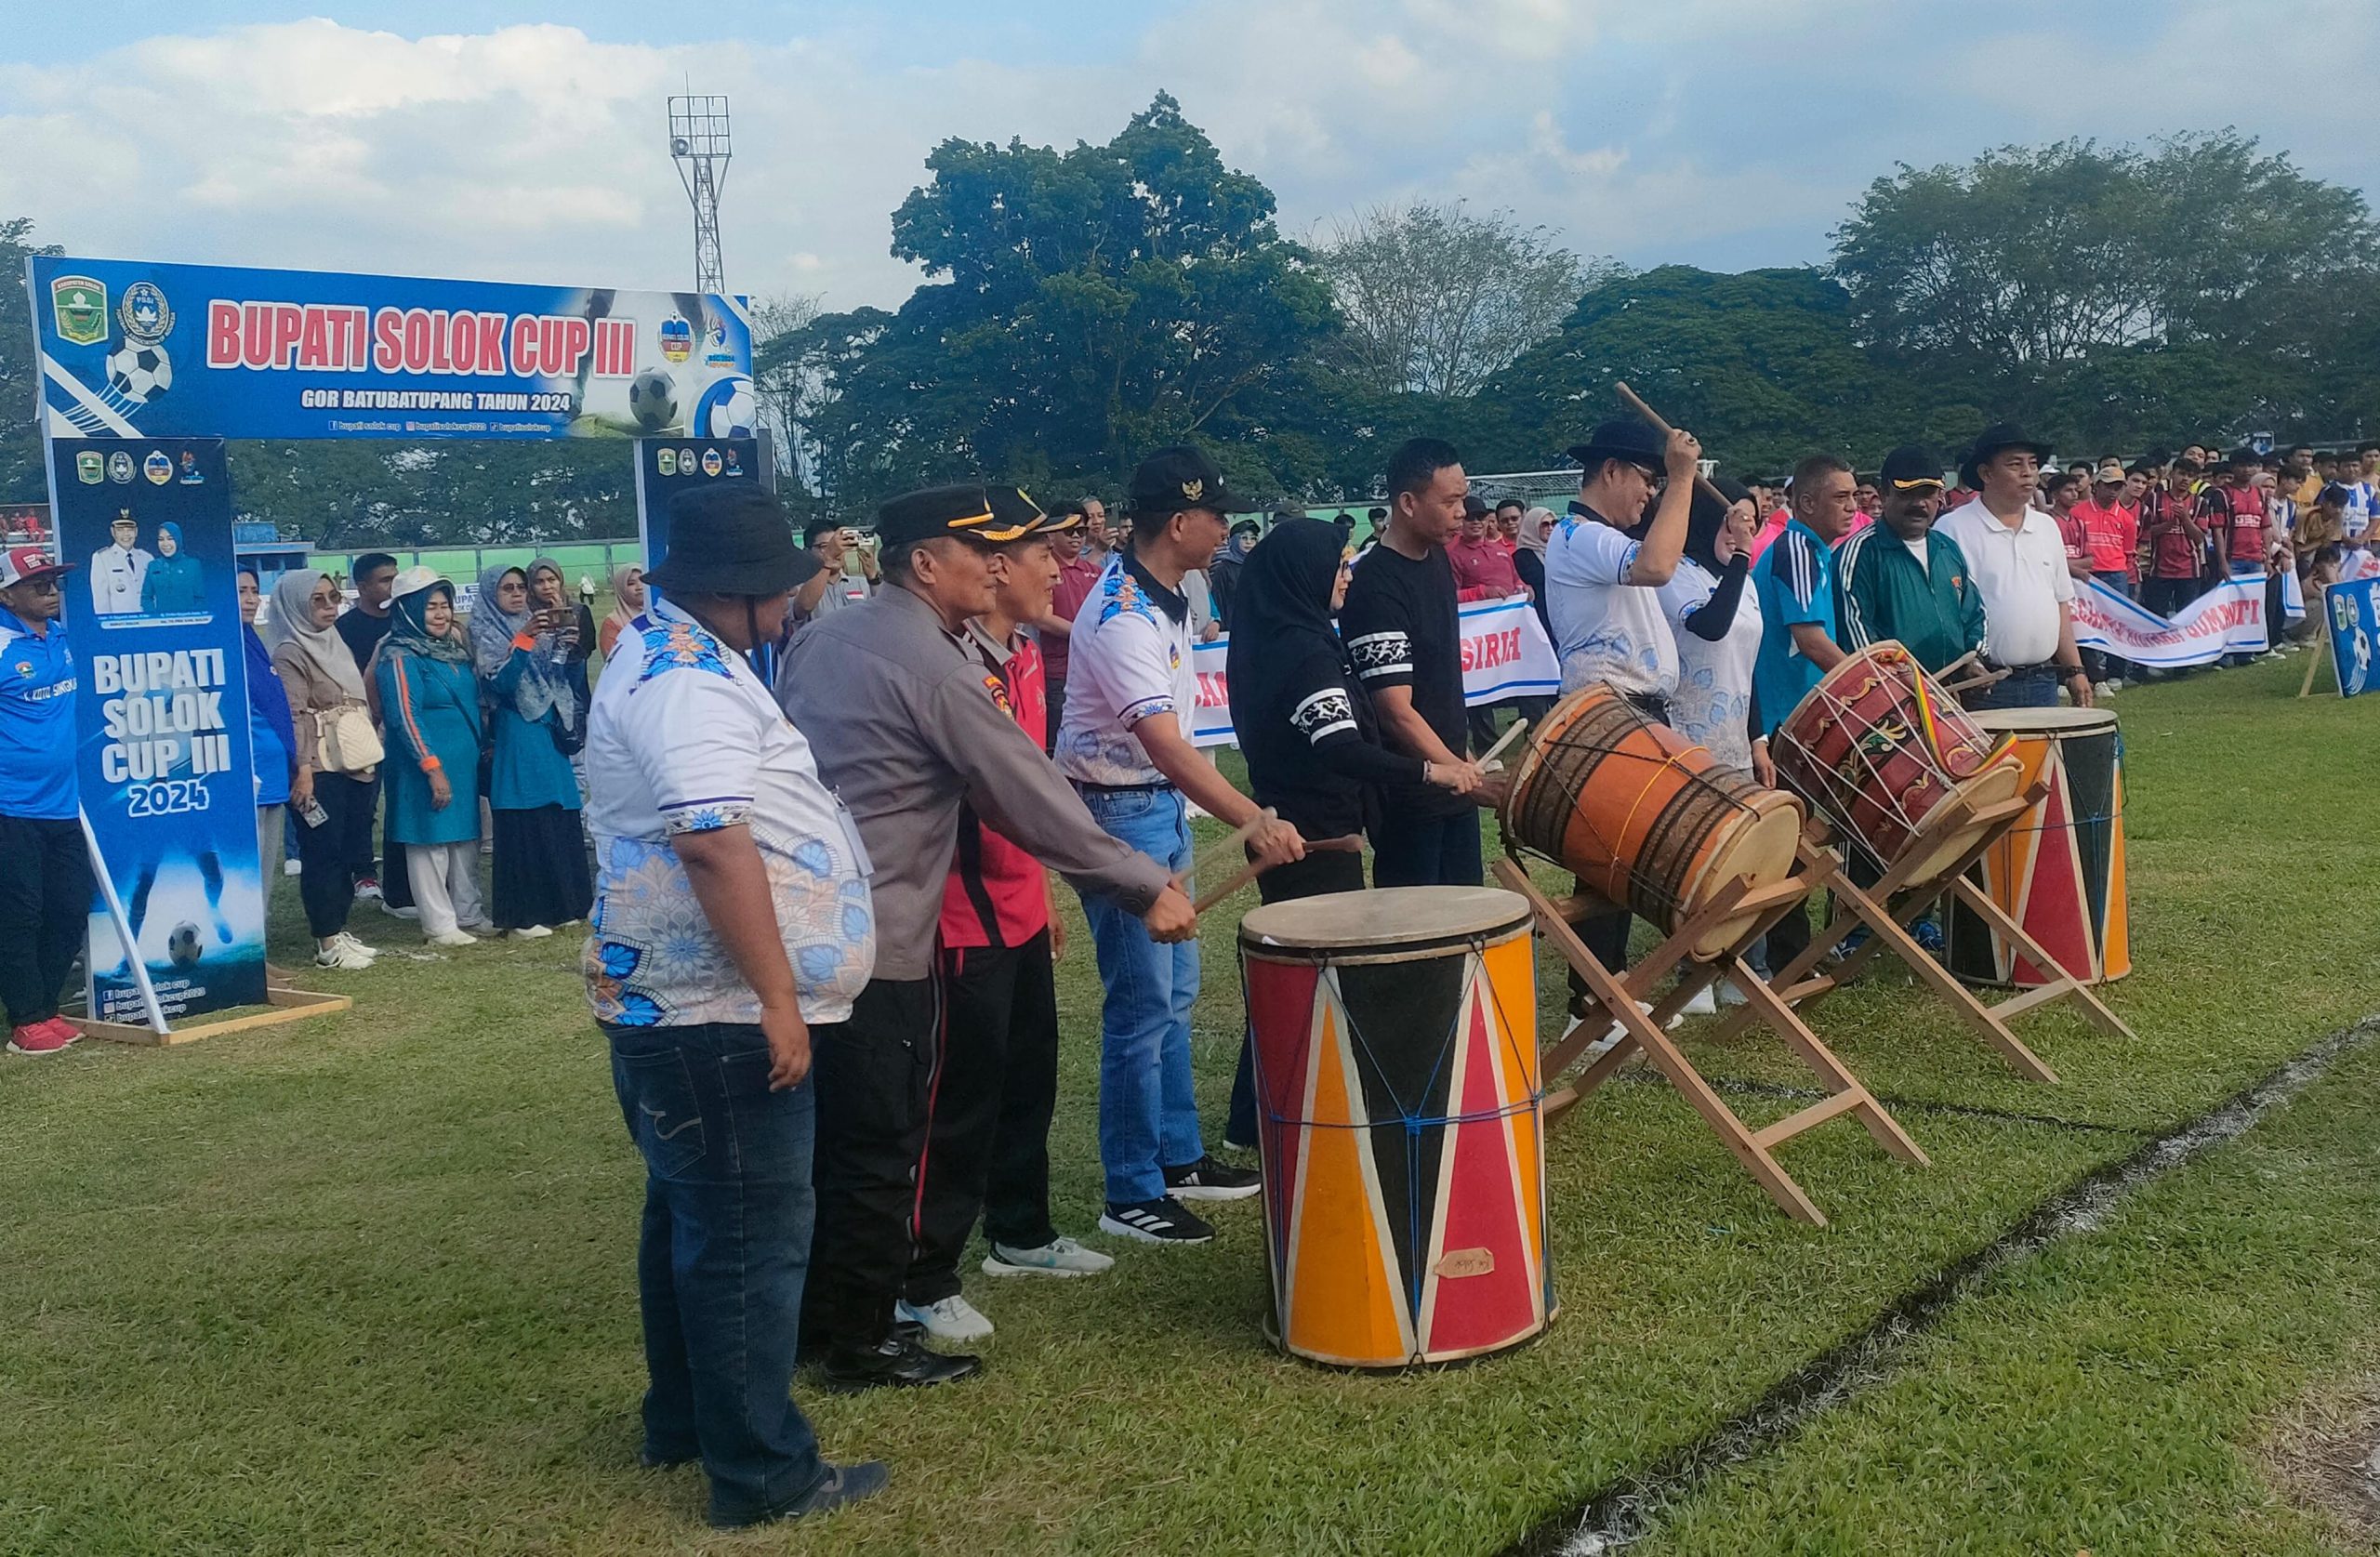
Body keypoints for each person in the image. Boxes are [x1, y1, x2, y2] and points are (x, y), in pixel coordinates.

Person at [779, 482, 1196, 1386]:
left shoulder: (826, 638)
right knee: (887, 1143)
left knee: (845, 1139)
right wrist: (1135, 880)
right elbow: (1023, 790)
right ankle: (864, 1337)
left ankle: (828, 1319)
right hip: (885, 932)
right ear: (927, 563)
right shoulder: (933, 665)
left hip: (810, 921)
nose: (1002, 566)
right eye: (986, 551)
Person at [581, 484, 886, 1528]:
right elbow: (711, 838)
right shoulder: (688, 685)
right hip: (712, 1008)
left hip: (682, 1001)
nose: (797, 599)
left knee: (697, 1219)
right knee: (751, 1234)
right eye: (783, 587)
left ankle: (686, 1421)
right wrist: (776, 999)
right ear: (739, 591)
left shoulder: (679, 659)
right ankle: (761, 1472)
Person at [1051, 449, 1302, 1243]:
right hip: (1118, 813)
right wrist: (1252, 818)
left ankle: (1178, 1154)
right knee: (1140, 1002)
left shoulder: (1169, 595)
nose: (1227, 528)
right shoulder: (1123, 610)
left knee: (1178, 990)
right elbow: (1164, 745)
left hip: (1151, 809)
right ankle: (1129, 1189)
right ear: (1181, 523)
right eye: (1218, 515)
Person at [899, 496, 1115, 1348]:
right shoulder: (954, 668)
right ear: (991, 572)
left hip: (1019, 904)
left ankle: (1021, 1232)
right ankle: (922, 1274)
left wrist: (1049, 890)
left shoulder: (1022, 653)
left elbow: (1030, 798)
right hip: (960, 918)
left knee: (1029, 1078)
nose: (1052, 568)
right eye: (1037, 555)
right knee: (960, 1098)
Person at [1223, 516, 1476, 1140]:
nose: (1347, 575)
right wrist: (1430, 773)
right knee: (1306, 984)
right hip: (1308, 836)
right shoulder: (1301, 649)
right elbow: (1339, 746)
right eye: (1337, 564)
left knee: (1302, 981)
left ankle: (1253, 1119)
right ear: (1305, 575)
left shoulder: (1288, 635)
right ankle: (1257, 1120)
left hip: (1315, 827)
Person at [1341, 439, 1493, 889]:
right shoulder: (1375, 585)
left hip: (1452, 784)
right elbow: (1394, 709)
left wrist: (1462, 761)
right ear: (1407, 503)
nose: (1462, 511)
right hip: (1409, 794)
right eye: (1449, 501)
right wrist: (1455, 772)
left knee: (1469, 921)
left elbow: (1439, 682)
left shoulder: (1437, 562)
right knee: (1417, 934)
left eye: (1463, 498)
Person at [267, 569, 382, 970]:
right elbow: (294, 715)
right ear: (296, 604)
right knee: (323, 852)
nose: (329, 607)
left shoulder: (333, 642)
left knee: (350, 848)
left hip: (352, 762)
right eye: (317, 600)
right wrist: (303, 770)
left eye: (333, 598)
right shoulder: (289, 651)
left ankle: (339, 928)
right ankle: (327, 940)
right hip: (318, 768)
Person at [470, 565, 594, 938]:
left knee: (559, 810)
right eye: (507, 588)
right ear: (492, 594)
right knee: (527, 812)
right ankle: (524, 914)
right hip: (517, 729)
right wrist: (523, 640)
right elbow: (502, 682)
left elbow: (558, 677)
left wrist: (567, 648)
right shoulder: (485, 631)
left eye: (521, 587)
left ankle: (565, 904)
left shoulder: (536, 623)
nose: (517, 594)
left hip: (550, 726)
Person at [0, 546, 88, 1056]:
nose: (51, 592)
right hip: (12, 808)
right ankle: (25, 1019)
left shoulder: (58, 637)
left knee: (69, 909)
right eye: (38, 584)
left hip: (62, 805)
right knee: (19, 914)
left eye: (55, 582)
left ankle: (46, 1007)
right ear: (7, 594)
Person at [1937, 424, 2092, 710]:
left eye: (2032, 464)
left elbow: (2060, 604)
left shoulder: (2046, 527)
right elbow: (1945, 612)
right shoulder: (1952, 529)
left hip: (2044, 680)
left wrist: (2075, 670)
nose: (2028, 473)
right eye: (2015, 464)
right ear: (1986, 474)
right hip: (1983, 685)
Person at [377, 569, 488, 947]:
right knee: (429, 840)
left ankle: (468, 912)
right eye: (430, 607)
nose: (440, 615)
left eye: (445, 606)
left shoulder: (453, 650)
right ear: (409, 610)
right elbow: (405, 715)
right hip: (423, 764)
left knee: (464, 838)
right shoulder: (399, 655)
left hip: (462, 763)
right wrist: (431, 766)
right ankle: (439, 924)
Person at [1835, 445, 1985, 676]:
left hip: (1954, 694)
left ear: (1939, 498)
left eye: (1927, 494)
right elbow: (1857, 637)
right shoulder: (1860, 554)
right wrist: (1898, 684)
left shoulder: (1948, 548)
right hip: (1896, 699)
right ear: (1884, 495)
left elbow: (1974, 612)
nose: (1919, 504)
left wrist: (1973, 659)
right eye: (1907, 494)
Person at [335, 553, 402, 905]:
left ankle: (404, 873)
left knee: (406, 801)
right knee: (363, 805)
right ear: (362, 586)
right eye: (384, 580)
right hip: (363, 728)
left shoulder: (406, 621)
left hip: (405, 726)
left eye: (395, 578)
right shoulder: (345, 630)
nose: (392, 585)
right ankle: (363, 873)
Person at [237, 567, 299, 902]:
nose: (250, 599)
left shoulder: (252, 640)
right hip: (251, 772)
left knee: (264, 866)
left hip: (273, 771)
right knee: (248, 865)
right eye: (241, 592)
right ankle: (251, 946)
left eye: (253, 590)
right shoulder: (224, 643)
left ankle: (259, 938)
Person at [1448, 492, 1528, 748]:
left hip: (1510, 628)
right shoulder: (1453, 554)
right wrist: (1482, 593)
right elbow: (1450, 596)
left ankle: (1536, 735)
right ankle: (1488, 746)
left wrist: (1523, 587)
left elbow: (1515, 579)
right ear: (1462, 521)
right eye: (1471, 518)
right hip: (1476, 633)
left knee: (1526, 676)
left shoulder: (1500, 550)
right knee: (1479, 688)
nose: (1476, 522)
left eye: (1481, 517)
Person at [1034, 499, 1102, 756]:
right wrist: (1085, 634)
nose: (1076, 537)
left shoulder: (1095, 572)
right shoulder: (1044, 570)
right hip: (1058, 673)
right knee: (1057, 749)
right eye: (1069, 531)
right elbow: (1042, 617)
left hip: (1094, 670)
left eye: (1081, 531)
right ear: (1052, 532)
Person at [2140, 460, 2207, 625]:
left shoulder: (2199, 502)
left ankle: (2186, 649)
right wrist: (2168, 525)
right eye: (2182, 474)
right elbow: (2146, 532)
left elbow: (2199, 538)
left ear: (2195, 480)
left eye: (2190, 476)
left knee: (2187, 618)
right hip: (2160, 569)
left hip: (2189, 570)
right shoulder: (2154, 499)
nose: (2185, 479)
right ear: (2171, 474)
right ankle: (2158, 649)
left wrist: (2185, 519)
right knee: (2156, 618)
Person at [787, 519, 878, 640]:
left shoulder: (862, 583)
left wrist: (874, 578)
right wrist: (828, 558)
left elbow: (883, 616)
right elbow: (804, 606)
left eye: (840, 546)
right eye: (825, 547)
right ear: (807, 551)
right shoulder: (797, 588)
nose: (836, 552)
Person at [86, 512, 151, 615]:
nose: (126, 534)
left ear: (136, 532)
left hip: (146, 620)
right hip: (119, 623)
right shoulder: (102, 558)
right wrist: (107, 623)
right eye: (120, 530)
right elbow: (101, 598)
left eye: (130, 530)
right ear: (113, 532)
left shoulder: (146, 557)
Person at [138, 522, 205, 614]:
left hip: (188, 624)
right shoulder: (153, 566)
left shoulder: (193, 564)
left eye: (170, 539)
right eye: (161, 539)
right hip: (162, 625)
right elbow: (146, 598)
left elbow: (201, 599)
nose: (165, 544)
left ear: (178, 540)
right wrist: (154, 617)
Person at [1208, 518, 1258, 627]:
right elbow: (1218, 602)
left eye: (1253, 538)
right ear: (1234, 540)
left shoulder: (1260, 567)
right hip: (1233, 629)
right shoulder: (1224, 569)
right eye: (1244, 538)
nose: (1249, 542)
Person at [597, 563, 646, 660]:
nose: (639, 587)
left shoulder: (660, 616)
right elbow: (613, 660)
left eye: (643, 581)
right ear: (621, 588)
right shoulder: (613, 623)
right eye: (631, 583)